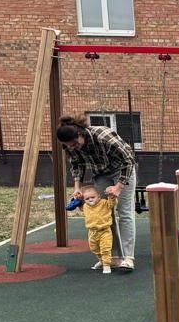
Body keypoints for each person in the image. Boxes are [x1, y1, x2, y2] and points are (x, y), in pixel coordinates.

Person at [55, 116, 137, 273]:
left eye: (75, 143)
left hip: (122, 169)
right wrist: (77, 187)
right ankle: (113, 257)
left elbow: (128, 160)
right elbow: (76, 165)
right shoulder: (71, 146)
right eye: (69, 146)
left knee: (125, 212)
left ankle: (128, 258)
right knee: (104, 212)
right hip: (101, 173)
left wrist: (119, 187)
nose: (74, 147)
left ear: (80, 133)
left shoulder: (102, 136)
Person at [79, 184, 115, 274]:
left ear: (98, 196)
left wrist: (111, 196)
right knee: (94, 249)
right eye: (87, 199)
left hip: (104, 231)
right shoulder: (85, 206)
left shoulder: (104, 203)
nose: (90, 200)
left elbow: (112, 203)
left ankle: (106, 265)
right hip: (92, 232)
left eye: (92, 197)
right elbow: (80, 206)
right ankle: (102, 261)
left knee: (105, 248)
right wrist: (77, 200)